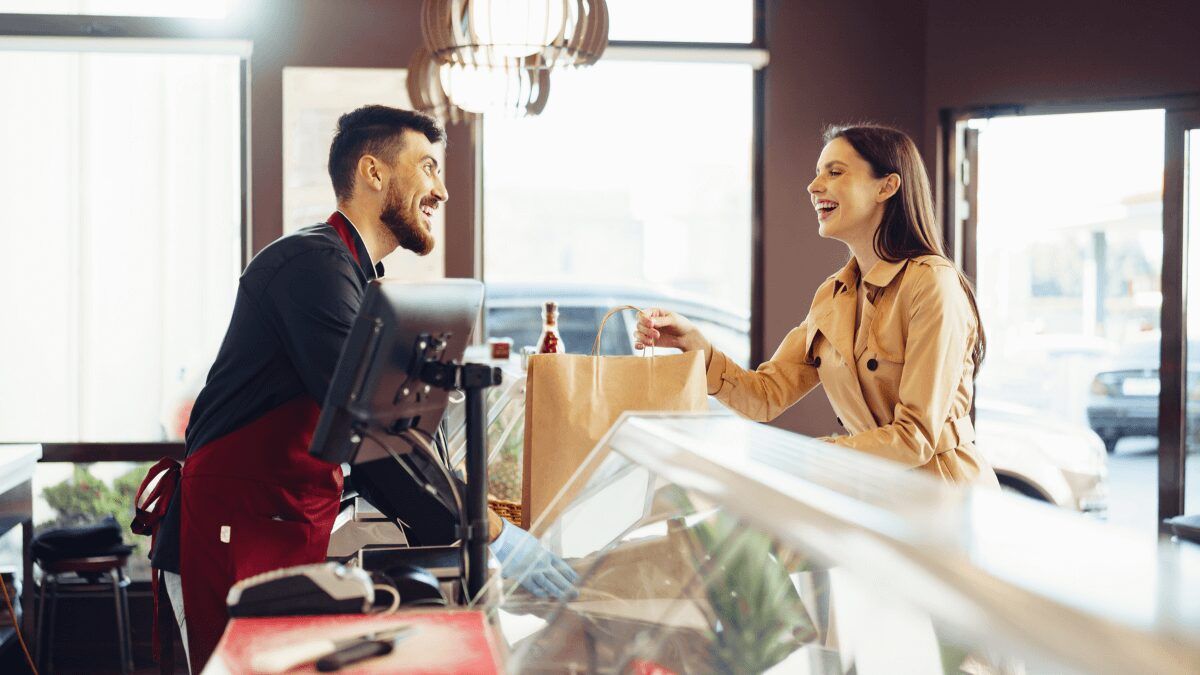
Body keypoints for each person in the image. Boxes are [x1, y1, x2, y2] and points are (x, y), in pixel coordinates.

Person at [136, 105, 574, 673]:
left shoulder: (354, 276)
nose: (441, 191)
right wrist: (488, 532)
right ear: (373, 171)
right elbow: (372, 433)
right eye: (427, 167)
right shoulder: (312, 266)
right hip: (232, 531)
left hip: (283, 527)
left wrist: (460, 521)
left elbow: (377, 435)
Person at [636, 124, 999, 486]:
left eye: (834, 172)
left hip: (945, 494)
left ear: (886, 186)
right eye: (817, 173)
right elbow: (764, 397)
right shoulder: (833, 295)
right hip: (878, 492)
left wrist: (810, 458)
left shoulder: (931, 283)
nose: (813, 186)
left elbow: (914, 436)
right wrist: (695, 346)